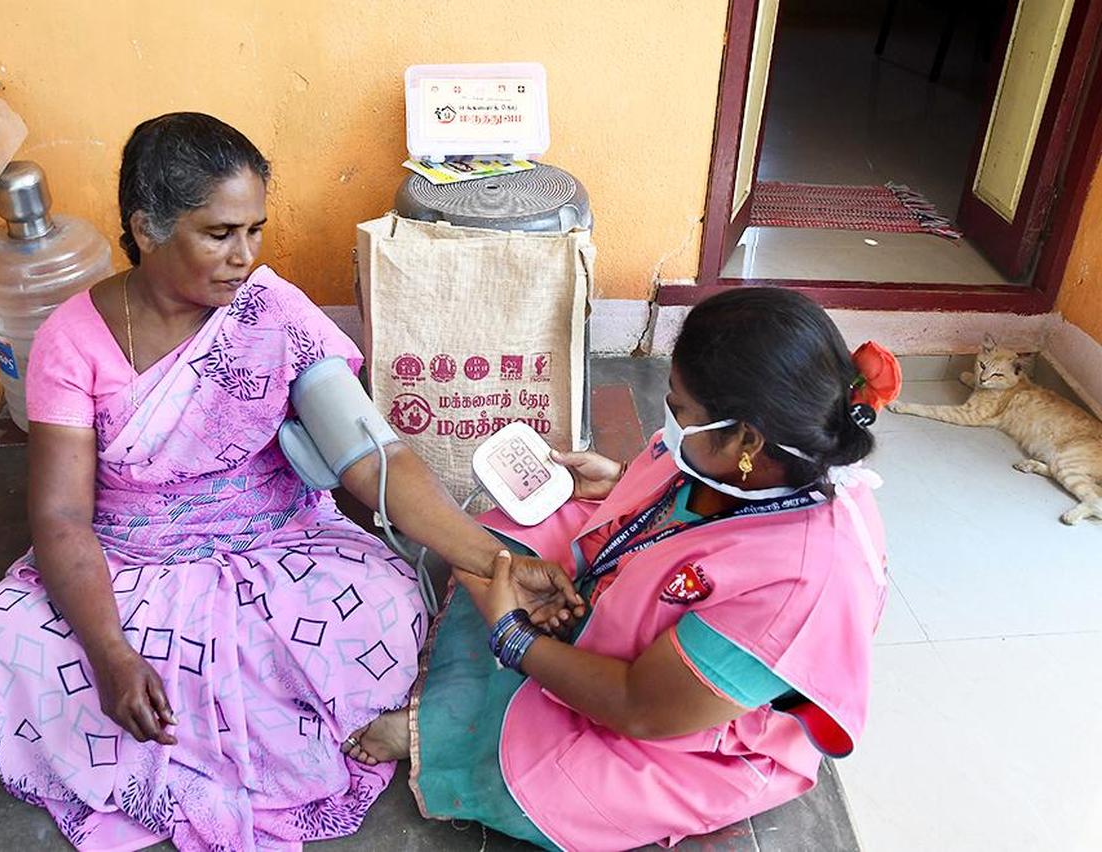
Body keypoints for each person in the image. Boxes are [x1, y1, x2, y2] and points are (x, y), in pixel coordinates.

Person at [0, 112, 577, 851]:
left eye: (254, 230)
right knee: (0, 637)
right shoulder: (72, 340)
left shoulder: (272, 311)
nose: (244, 255)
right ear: (147, 228)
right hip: (127, 560)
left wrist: (494, 561)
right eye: (219, 233)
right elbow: (61, 520)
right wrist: (112, 653)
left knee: (384, 606)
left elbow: (373, 457)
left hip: (273, 537)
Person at [351, 288, 902, 851]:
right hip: (652, 582)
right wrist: (621, 481)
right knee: (499, 538)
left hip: (679, 726)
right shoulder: (776, 459)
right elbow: (716, 508)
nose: (672, 421)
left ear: (747, 439)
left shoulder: (801, 586)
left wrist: (513, 638)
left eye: (682, 411)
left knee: (549, 781)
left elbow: (641, 707)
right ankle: (505, 671)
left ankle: (441, 731)